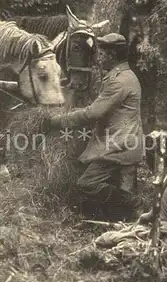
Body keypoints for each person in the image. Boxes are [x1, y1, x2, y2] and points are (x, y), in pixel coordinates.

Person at [42, 33, 144, 221]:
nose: (98, 58)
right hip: (127, 142)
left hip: (117, 146)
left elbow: (93, 113)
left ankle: (132, 202)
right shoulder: (127, 76)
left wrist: (57, 121)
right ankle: (117, 214)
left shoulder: (118, 81)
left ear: (112, 55)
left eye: (102, 54)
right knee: (115, 188)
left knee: (87, 184)